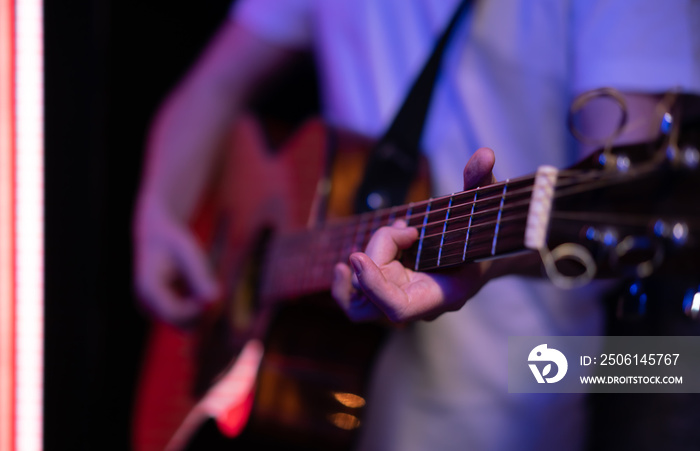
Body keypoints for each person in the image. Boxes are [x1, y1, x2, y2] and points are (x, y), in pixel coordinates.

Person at [133, 1, 700, 450]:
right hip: (320, 390)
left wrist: (483, 255)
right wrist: (158, 212)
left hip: (502, 395)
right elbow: (214, 84)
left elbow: (632, 183)